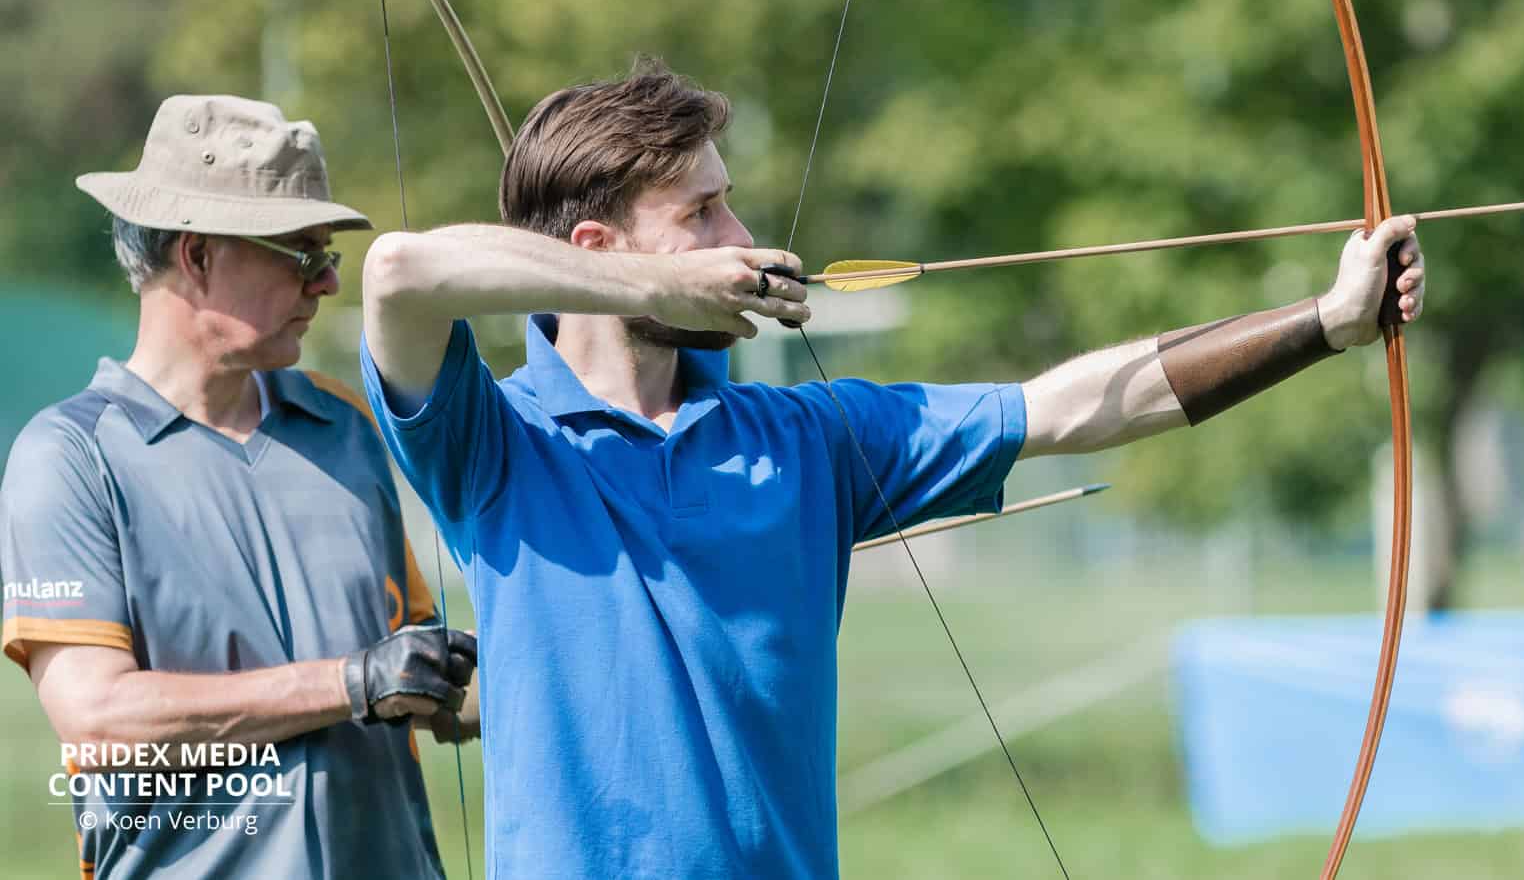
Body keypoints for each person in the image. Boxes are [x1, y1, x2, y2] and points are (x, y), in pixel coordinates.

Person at [357, 61, 1425, 879]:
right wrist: (658, 282)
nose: (740, 235)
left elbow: (1068, 406)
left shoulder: (810, 441)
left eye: (727, 203)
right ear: (597, 251)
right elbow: (401, 271)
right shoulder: (492, 444)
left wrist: (1325, 324)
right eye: (700, 213)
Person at [0, 94, 479, 879]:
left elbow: (418, 686)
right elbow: (98, 717)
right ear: (196, 255)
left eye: (329, 254)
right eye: (301, 253)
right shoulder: (69, 456)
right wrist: (348, 682)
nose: (327, 281)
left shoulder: (348, 423)